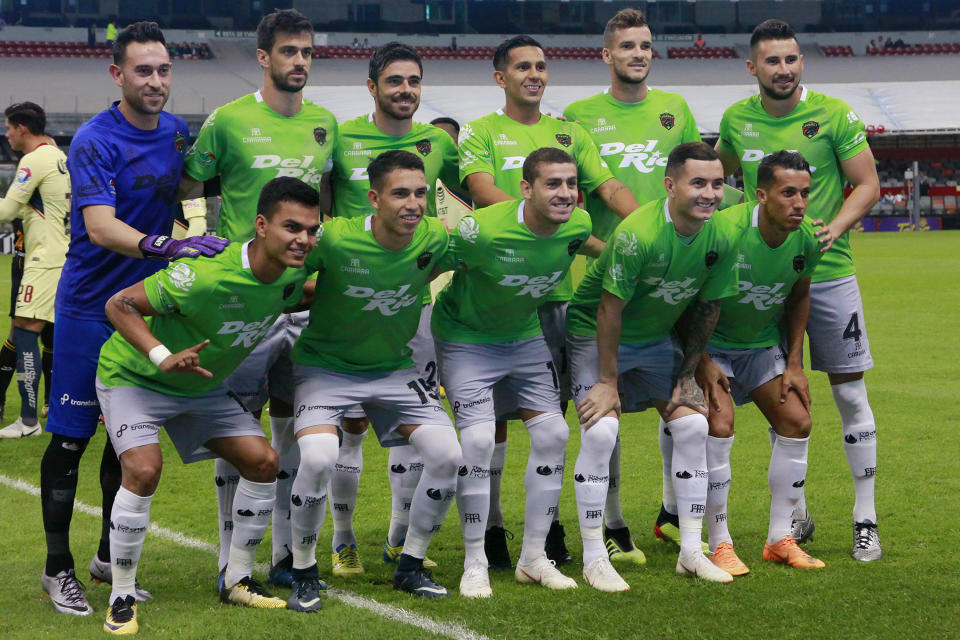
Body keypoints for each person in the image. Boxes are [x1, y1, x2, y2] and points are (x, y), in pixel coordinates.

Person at [39, 21, 228, 618]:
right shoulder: (94, 139)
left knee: (123, 440)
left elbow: (191, 189)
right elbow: (98, 226)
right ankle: (56, 568)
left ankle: (102, 557)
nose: (155, 80)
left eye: (164, 69)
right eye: (143, 70)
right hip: (87, 310)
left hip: (143, 307)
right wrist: (167, 247)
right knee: (71, 439)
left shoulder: (176, 132)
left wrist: (200, 232)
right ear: (117, 74)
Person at [96, 177, 318, 634]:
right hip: (135, 377)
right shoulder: (204, 272)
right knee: (143, 469)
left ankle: (237, 579)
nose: (303, 239)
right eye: (292, 227)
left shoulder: (294, 274)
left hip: (200, 388)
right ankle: (121, 595)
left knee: (262, 462)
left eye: (312, 230)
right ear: (261, 225)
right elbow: (119, 305)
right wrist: (162, 355)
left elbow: (304, 294)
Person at [459, 34, 639, 569]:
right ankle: (492, 526)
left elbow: (606, 188)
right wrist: (543, 221)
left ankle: (551, 524)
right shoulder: (480, 132)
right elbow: (483, 192)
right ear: (501, 77)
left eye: (541, 66)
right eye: (523, 67)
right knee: (492, 421)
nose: (534, 74)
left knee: (552, 416)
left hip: (558, 299)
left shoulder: (571, 133)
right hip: (499, 294)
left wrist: (646, 234)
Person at [180, 8, 339, 586]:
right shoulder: (227, 121)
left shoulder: (326, 123)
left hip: (304, 302)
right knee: (238, 432)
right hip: (245, 305)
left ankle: (284, 556)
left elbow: (326, 199)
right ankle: (230, 554)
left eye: (307, 52)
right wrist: (201, 236)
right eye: (289, 51)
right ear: (264, 58)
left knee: (295, 429)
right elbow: (191, 182)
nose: (299, 61)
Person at [715, 18, 882, 561]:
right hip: (762, 282)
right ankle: (795, 517)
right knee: (779, 396)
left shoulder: (834, 114)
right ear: (753, 67)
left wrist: (834, 228)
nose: (783, 69)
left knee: (850, 395)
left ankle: (865, 519)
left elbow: (869, 184)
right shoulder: (736, 120)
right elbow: (718, 182)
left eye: (791, 59)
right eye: (772, 60)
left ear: (800, 63)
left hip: (828, 277)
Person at [563, 8, 706, 561]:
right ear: (607, 55)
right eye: (627, 46)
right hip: (613, 273)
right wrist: (616, 244)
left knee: (680, 395)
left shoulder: (676, 109)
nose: (639, 54)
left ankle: (673, 513)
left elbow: (697, 173)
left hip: (674, 280)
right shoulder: (579, 115)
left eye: (646, 45)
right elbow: (581, 194)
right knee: (608, 408)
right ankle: (615, 525)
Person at [287, 150, 460, 603]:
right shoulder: (335, 239)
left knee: (447, 454)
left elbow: (470, 259)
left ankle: (410, 564)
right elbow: (280, 277)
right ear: (374, 198)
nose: (413, 203)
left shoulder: (434, 240)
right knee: (321, 456)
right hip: (325, 368)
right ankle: (303, 568)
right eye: (400, 193)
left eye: (421, 194)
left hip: (393, 370)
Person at [566, 141, 741, 586]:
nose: (709, 193)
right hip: (596, 333)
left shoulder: (720, 235)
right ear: (670, 186)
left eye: (717, 184)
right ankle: (593, 557)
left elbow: (708, 307)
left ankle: (690, 551)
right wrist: (607, 382)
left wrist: (690, 368)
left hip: (654, 339)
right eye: (697, 183)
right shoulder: (637, 233)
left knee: (694, 426)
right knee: (602, 427)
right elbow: (608, 310)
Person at [323, 41, 460, 577]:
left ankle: (400, 535)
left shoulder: (439, 144)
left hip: (412, 305)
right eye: (396, 81)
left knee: (411, 422)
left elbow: (460, 205)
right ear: (373, 85)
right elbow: (324, 206)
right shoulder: (341, 136)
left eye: (414, 81)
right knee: (351, 425)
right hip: (349, 301)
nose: (406, 90)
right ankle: (342, 538)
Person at [435, 148, 592, 597]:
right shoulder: (480, 232)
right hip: (466, 338)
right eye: (553, 184)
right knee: (481, 440)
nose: (565, 193)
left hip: (523, 336)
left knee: (554, 435)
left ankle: (533, 558)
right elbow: (428, 264)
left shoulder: (577, 225)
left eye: (570, 183)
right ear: (526, 188)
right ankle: (474, 562)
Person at [695, 151, 825, 575]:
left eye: (805, 193)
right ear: (762, 194)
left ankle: (779, 538)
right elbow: (688, 297)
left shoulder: (805, 237)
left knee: (797, 421)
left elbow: (799, 295)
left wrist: (794, 364)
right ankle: (719, 543)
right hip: (712, 344)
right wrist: (702, 358)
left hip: (759, 345)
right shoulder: (724, 231)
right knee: (719, 425)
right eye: (789, 193)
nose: (800, 203)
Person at [0, 102, 68, 439]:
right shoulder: (57, 154)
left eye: (9, 127)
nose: (7, 134)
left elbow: (7, 210)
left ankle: (28, 421)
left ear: (23, 128)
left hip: (45, 259)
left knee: (26, 330)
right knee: (58, 336)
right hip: (66, 255)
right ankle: (55, 408)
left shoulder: (34, 159)